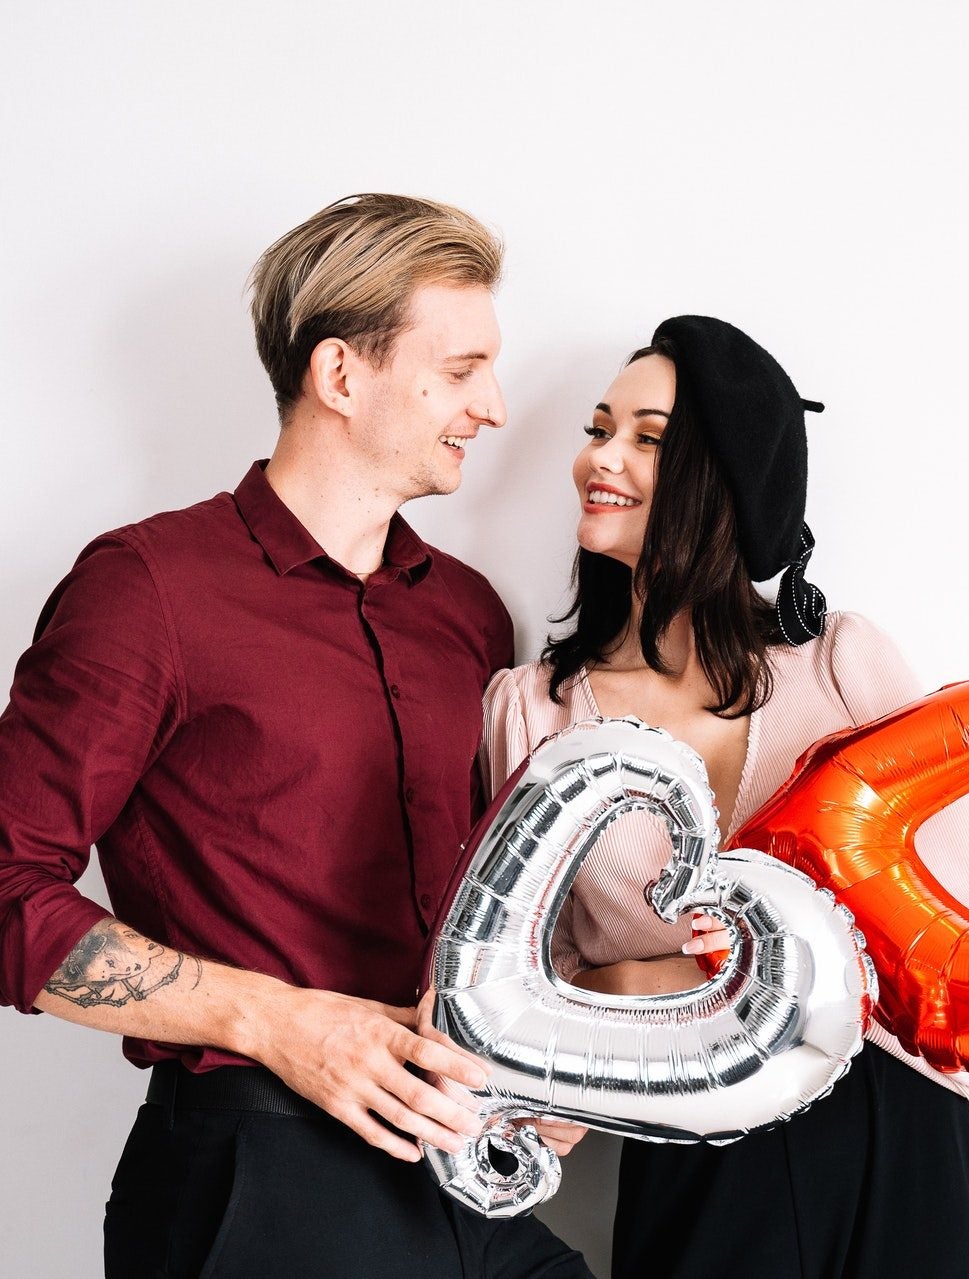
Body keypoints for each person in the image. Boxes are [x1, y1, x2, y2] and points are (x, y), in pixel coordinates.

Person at [0, 194, 590, 1278]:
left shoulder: (468, 613)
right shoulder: (147, 589)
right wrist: (281, 1023)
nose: (495, 407)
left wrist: (541, 1056)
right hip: (257, 1174)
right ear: (340, 376)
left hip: (460, 1157)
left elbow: (492, 896)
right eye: (460, 370)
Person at [481, 315, 969, 1279]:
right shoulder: (536, 713)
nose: (599, 458)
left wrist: (765, 962)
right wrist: (640, 984)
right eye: (598, 428)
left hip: (894, 1125)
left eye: (648, 438)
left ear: (722, 479)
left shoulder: (842, 667)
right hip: (696, 1153)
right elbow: (526, 985)